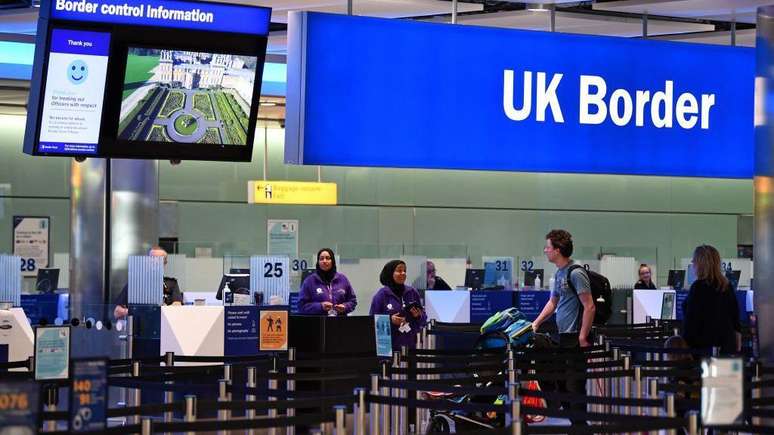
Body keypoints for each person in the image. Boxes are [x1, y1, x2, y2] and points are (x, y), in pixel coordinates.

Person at [531, 229, 594, 425]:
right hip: (562, 338)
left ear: (557, 250)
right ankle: (576, 426)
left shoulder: (576, 273)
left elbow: (589, 305)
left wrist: (583, 337)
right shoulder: (559, 274)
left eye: (547, 247)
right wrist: (537, 322)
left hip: (575, 338)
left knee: (575, 388)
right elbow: (553, 302)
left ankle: (580, 428)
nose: (545, 250)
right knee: (564, 388)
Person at [682, 245, 741, 354]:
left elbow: (691, 322)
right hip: (726, 345)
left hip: (702, 348)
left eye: (694, 261)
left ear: (700, 264)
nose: (693, 264)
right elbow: (735, 316)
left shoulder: (698, 288)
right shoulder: (726, 286)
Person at [113, 246, 183, 320]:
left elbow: (177, 306)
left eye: (158, 260)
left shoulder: (171, 284)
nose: (154, 262)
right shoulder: (135, 284)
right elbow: (117, 312)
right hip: (139, 328)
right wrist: (134, 311)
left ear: (164, 263)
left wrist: (159, 310)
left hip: (163, 327)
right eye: (151, 259)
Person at [370, 260, 427, 350]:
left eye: (404, 270)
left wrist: (418, 316)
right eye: (399, 270)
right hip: (389, 346)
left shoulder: (412, 292)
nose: (403, 273)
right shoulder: (381, 295)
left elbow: (423, 318)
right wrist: (390, 320)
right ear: (390, 273)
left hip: (411, 344)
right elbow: (372, 320)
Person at [298, 248, 357, 315]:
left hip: (340, 323)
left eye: (328, 258)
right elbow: (301, 306)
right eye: (321, 258)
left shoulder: (342, 279)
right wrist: (320, 306)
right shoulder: (309, 281)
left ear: (333, 261)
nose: (324, 261)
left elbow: (353, 301)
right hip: (317, 323)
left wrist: (345, 307)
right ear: (318, 262)